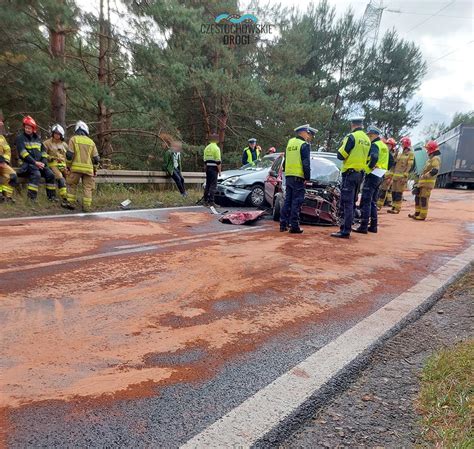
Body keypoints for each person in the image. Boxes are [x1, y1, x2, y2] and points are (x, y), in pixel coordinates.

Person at [331, 116, 371, 239]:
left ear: (352, 125)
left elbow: (341, 155)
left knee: (346, 203)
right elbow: (369, 158)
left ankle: (345, 230)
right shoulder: (367, 140)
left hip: (349, 173)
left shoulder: (351, 137)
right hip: (360, 175)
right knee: (352, 202)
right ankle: (349, 226)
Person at [279, 124, 314, 234]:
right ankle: (294, 226)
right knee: (296, 202)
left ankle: (283, 225)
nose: (308, 135)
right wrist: (307, 177)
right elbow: (306, 163)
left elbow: (285, 160)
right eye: (307, 133)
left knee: (287, 201)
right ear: (303, 132)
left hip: (289, 176)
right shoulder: (304, 145)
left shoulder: (290, 143)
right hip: (298, 177)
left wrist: (286, 171)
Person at [353, 125, 388, 234]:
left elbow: (374, 157)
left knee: (366, 201)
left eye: (369, 136)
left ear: (372, 135)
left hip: (372, 174)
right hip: (380, 175)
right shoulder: (384, 145)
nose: (368, 137)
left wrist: (369, 167)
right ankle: (373, 226)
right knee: (373, 201)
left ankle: (363, 226)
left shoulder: (375, 145)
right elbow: (390, 160)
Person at [15, 116, 57, 202]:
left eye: (29, 128)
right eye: (26, 128)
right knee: (36, 174)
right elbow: (23, 153)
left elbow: (43, 151)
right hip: (26, 164)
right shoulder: (20, 138)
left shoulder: (38, 139)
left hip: (39, 164)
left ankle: (51, 197)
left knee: (50, 174)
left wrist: (44, 162)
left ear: (33, 128)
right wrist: (35, 163)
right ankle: (31, 199)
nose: (27, 129)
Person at [62, 121, 100, 212]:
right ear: (86, 131)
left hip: (75, 168)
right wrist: (94, 169)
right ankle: (86, 207)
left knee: (72, 185)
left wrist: (68, 166)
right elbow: (96, 159)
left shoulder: (73, 139)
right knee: (87, 188)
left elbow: (69, 155)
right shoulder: (91, 142)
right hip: (88, 170)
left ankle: (71, 203)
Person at [409, 140, 440, 221]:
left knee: (423, 199)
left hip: (427, 184)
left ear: (431, 149)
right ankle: (417, 213)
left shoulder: (435, 158)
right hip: (422, 183)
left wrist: (425, 176)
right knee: (418, 198)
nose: (426, 151)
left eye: (427, 149)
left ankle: (422, 215)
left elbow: (435, 170)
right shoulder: (430, 159)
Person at [387, 136, 414, 214]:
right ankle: (393, 207)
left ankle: (397, 208)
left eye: (402, 143)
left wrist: (405, 175)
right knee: (394, 192)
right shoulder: (400, 153)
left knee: (399, 193)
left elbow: (409, 165)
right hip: (395, 176)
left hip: (402, 177)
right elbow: (395, 163)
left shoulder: (410, 154)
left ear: (406, 143)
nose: (401, 144)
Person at [43, 124, 68, 200]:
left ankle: (70, 195)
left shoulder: (64, 145)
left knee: (69, 178)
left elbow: (68, 156)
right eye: (55, 133)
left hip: (63, 165)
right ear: (52, 133)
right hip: (53, 164)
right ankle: (64, 196)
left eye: (58, 134)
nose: (57, 135)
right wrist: (50, 157)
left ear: (61, 135)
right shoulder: (46, 143)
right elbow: (43, 154)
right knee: (60, 177)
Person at [376, 137, 397, 210]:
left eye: (390, 145)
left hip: (388, 176)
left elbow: (394, 168)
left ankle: (379, 205)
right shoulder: (385, 152)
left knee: (384, 190)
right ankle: (382, 203)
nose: (388, 146)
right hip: (382, 174)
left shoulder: (394, 155)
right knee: (381, 189)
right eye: (387, 144)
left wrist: (391, 178)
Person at [0, 120, 18, 203]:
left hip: (2, 164)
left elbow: (7, 150)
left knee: (13, 175)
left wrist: (5, 161)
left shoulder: (2, 138)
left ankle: (8, 197)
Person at [203, 133, 221, 207]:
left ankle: (205, 201)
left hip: (208, 167)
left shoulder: (206, 148)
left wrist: (206, 168)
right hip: (214, 168)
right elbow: (218, 161)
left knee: (208, 184)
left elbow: (204, 160)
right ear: (216, 140)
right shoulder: (216, 148)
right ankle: (211, 201)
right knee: (213, 185)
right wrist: (219, 171)